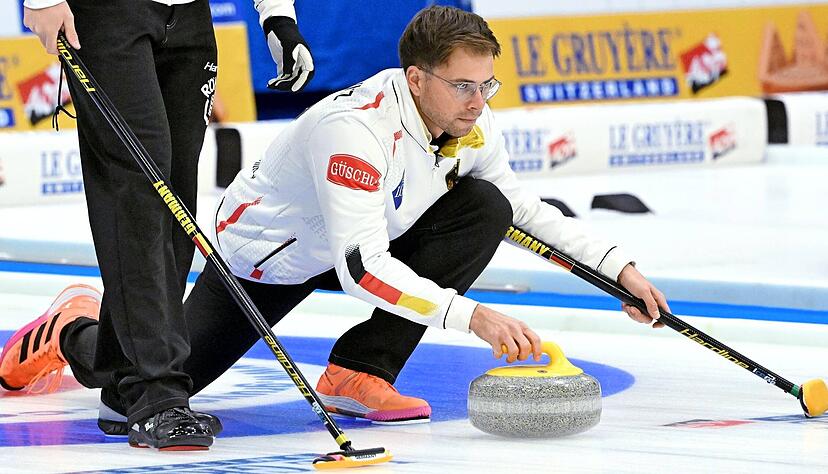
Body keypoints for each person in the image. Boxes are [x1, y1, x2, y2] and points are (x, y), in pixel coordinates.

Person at [1, 5, 669, 436]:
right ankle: (73, 332)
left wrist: (621, 272)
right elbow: (363, 270)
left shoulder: (468, 118)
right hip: (268, 265)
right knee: (127, 390)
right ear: (415, 78)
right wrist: (476, 318)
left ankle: (359, 370)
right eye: (463, 86)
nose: (478, 102)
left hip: (360, 235)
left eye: (485, 86)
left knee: (487, 207)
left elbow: (523, 209)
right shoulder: (355, 132)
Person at [2, 0, 314, 451]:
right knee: (139, 196)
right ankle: (156, 393)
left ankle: (95, 357)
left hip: (190, 19)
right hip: (105, 16)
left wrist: (277, 16)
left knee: (174, 208)